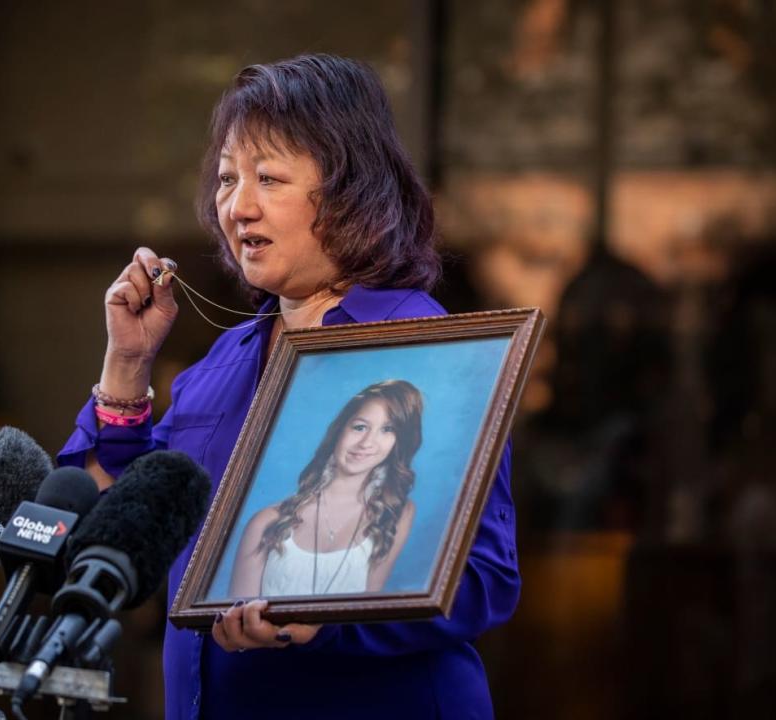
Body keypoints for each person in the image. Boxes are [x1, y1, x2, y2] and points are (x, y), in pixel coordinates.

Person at [59, 54, 519, 720]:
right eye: (226, 179)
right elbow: (120, 527)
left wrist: (328, 621)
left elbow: (487, 580)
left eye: (268, 178)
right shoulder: (223, 361)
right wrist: (127, 364)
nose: (237, 207)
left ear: (349, 191)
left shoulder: (426, 349)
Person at [230, 379, 423, 598]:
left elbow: (365, 610)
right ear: (339, 430)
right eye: (360, 427)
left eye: (387, 430)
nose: (367, 442)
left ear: (399, 442)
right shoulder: (265, 523)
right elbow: (237, 621)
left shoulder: (396, 514)